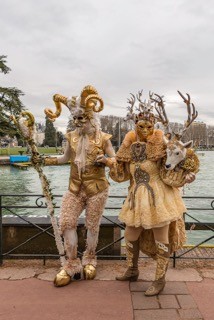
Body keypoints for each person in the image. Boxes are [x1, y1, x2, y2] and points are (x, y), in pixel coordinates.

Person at [97, 90, 199, 296]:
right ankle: (132, 270)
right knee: (130, 234)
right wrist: (108, 162)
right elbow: (122, 174)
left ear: (154, 128)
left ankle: (159, 280)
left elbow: (172, 170)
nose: (144, 130)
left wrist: (187, 176)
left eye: (149, 127)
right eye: (140, 126)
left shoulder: (161, 147)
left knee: (161, 238)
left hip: (158, 198)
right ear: (134, 127)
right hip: (136, 199)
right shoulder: (130, 148)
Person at [33, 85, 115, 286]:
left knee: (92, 226)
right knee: (67, 223)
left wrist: (104, 160)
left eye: (81, 118)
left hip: (97, 189)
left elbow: (116, 160)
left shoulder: (103, 138)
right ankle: (71, 264)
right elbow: (63, 159)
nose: (77, 122)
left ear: (90, 118)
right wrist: (44, 160)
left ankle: (90, 259)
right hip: (75, 188)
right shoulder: (72, 136)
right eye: (75, 119)